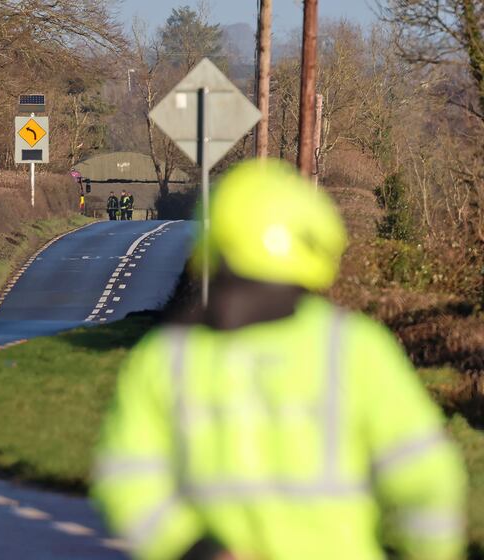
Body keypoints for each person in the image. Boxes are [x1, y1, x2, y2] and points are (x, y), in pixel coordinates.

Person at [92, 159, 466, 560]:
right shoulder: (355, 349)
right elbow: (429, 480)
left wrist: (190, 548)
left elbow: (126, 479)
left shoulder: (166, 359)